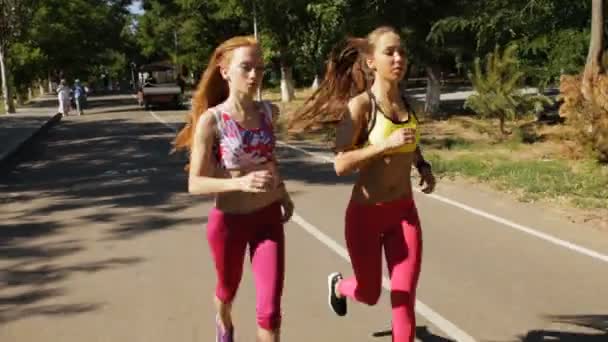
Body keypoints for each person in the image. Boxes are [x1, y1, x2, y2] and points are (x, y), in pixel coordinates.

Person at [290, 26, 436, 342]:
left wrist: (422, 166)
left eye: (402, 52)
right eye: (389, 52)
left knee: (403, 298)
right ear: (371, 62)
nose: (398, 58)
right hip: (365, 215)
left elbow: (410, 141)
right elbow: (340, 164)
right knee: (369, 293)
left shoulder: (407, 102)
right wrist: (384, 146)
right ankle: (341, 286)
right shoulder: (360, 107)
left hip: (404, 214)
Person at [172, 35, 294, 342]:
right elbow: (195, 183)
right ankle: (224, 323)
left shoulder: (269, 112)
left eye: (260, 68)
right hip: (229, 224)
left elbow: (269, 158)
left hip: (267, 220)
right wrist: (239, 182)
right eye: (246, 68)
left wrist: (283, 193)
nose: (255, 75)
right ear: (225, 71)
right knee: (226, 292)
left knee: (270, 313)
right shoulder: (212, 121)